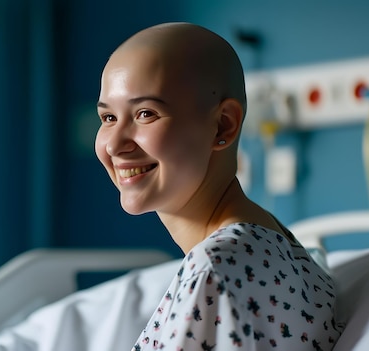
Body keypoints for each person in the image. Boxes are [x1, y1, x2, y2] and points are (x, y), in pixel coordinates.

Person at [95, 22, 342, 351]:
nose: (114, 145)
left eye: (145, 113)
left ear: (222, 125)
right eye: (108, 118)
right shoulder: (264, 240)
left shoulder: (215, 269)